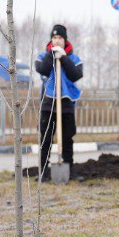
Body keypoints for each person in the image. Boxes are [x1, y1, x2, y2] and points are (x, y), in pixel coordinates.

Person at [33, 24, 83, 181]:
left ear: (65, 40)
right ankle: (43, 171)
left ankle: (69, 169)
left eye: (60, 38)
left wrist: (64, 58)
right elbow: (42, 69)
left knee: (68, 138)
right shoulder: (43, 56)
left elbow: (76, 75)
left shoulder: (74, 59)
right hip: (48, 103)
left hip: (66, 103)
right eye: (54, 38)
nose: (57, 40)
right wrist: (52, 54)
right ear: (51, 39)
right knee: (46, 138)